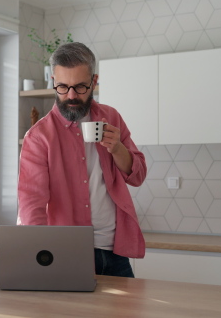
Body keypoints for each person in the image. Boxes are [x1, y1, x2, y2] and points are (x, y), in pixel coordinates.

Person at [17, 42, 147, 277]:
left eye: (80, 87)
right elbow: (31, 205)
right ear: (53, 81)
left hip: (115, 251)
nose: (71, 96)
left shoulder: (112, 117)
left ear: (94, 82)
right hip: (66, 253)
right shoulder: (38, 137)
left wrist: (117, 148)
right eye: (62, 87)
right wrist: (38, 258)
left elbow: (138, 176)